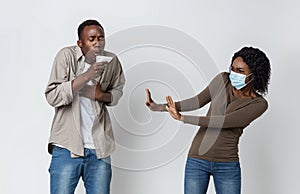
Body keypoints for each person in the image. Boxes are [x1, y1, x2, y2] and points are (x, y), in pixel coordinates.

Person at [146, 46, 271, 194]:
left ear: (254, 75)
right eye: (233, 69)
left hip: (227, 165)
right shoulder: (223, 80)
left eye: (241, 71)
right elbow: (197, 101)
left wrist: (183, 118)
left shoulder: (259, 104)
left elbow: (223, 121)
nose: (234, 74)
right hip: (197, 159)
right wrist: (158, 107)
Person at [45, 19, 125, 194]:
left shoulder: (111, 61)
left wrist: (101, 96)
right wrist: (87, 75)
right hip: (67, 147)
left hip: (99, 150)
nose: (97, 42)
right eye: (92, 39)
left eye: (101, 38)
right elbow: (52, 95)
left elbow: (118, 90)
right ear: (80, 43)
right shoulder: (66, 56)